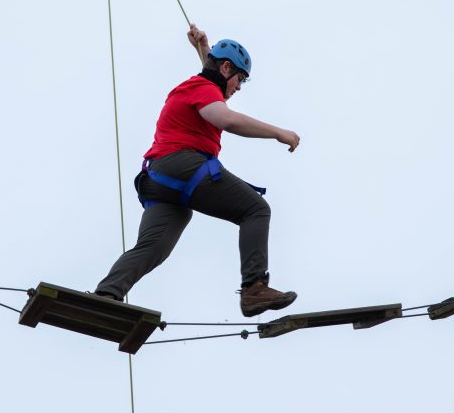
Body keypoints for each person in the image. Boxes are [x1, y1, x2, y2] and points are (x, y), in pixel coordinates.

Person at [94, 25, 300, 317]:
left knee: (154, 247)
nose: (238, 87)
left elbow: (213, 77)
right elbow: (226, 119)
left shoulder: (199, 86)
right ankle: (254, 289)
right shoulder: (203, 89)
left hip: (161, 181)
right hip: (182, 166)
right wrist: (278, 132)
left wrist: (202, 49)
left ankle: (107, 294)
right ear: (227, 68)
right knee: (256, 210)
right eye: (240, 79)